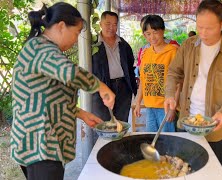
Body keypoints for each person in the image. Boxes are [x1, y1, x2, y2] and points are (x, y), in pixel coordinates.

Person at [10, 3, 115, 180]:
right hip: (40, 144)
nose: (76, 40)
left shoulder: (46, 49)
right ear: (61, 26)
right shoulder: (39, 48)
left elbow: (49, 95)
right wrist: (101, 87)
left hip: (45, 143)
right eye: (76, 33)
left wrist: (80, 113)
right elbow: (70, 73)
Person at [164, 0, 222, 164]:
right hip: (185, 123)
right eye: (199, 26)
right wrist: (169, 94)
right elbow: (174, 72)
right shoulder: (188, 45)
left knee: (209, 170)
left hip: (216, 128)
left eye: (209, 28)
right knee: (182, 168)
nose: (203, 33)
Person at [134, 15, 179, 132]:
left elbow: (178, 83)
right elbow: (143, 80)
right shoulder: (145, 53)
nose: (152, 37)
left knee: (167, 140)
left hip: (165, 107)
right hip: (149, 107)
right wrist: (138, 102)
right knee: (151, 139)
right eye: (148, 34)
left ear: (163, 31)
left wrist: (173, 109)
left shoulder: (173, 52)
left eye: (155, 32)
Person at [92, 11, 137, 123]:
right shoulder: (93, 45)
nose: (111, 27)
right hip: (101, 89)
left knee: (121, 123)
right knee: (102, 124)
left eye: (115, 24)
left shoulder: (124, 45)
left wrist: (134, 91)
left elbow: (131, 69)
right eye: (108, 24)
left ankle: (120, 141)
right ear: (100, 24)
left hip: (123, 88)